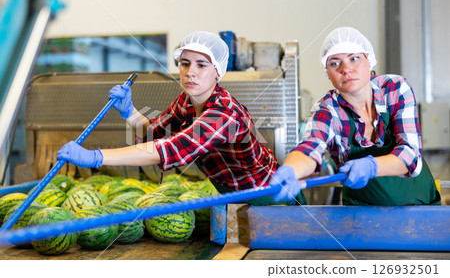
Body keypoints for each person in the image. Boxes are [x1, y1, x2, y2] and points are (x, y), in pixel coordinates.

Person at [57, 31, 306, 206]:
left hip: (270, 195)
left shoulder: (224, 114)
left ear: (218, 72)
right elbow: (154, 134)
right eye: (185, 64)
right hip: (229, 192)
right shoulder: (186, 102)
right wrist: (129, 111)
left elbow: (170, 149)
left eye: (201, 65)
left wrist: (96, 157)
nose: (190, 73)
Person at [270, 27, 440, 206]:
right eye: (335, 63)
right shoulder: (327, 110)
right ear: (327, 73)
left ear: (369, 60)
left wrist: (372, 167)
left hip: (422, 210)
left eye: (354, 58)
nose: (346, 69)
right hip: (362, 218)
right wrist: (291, 170)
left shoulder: (395, 89)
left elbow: (411, 155)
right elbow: (310, 148)